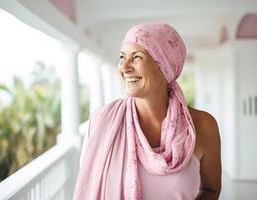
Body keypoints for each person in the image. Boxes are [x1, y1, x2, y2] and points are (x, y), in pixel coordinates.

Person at [73, 22, 221, 200]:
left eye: (136, 57)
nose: (124, 67)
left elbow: (210, 190)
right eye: (122, 57)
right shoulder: (101, 121)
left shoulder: (203, 126)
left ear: (164, 65)